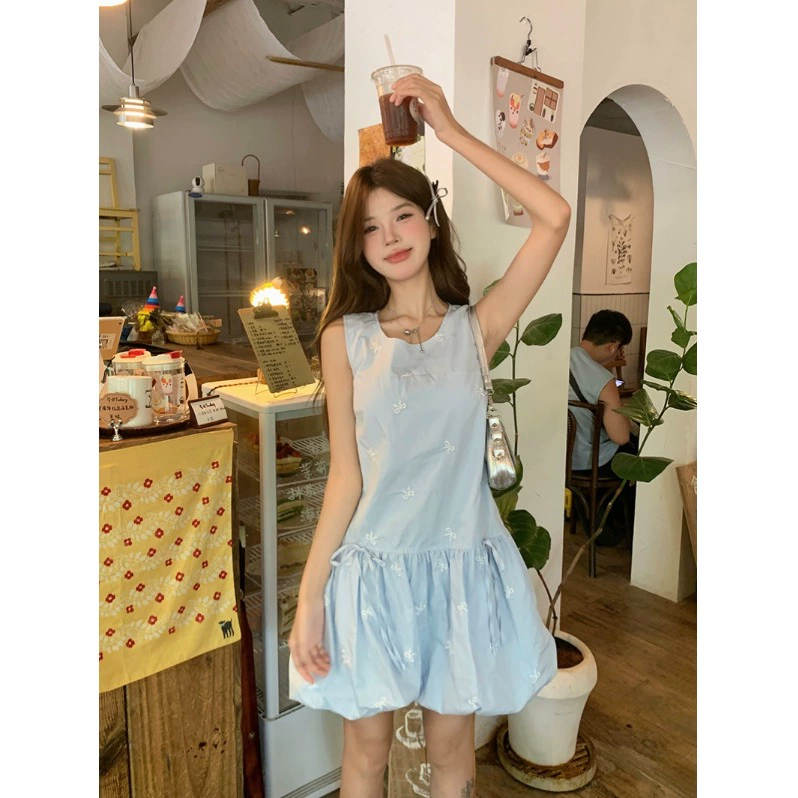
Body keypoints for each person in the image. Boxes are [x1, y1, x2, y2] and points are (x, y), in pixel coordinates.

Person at [287, 73, 571, 798]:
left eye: (403, 216)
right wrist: (311, 599)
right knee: (365, 756)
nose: (389, 237)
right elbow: (345, 478)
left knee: (451, 754)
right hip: (372, 571)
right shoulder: (344, 339)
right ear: (357, 247)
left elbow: (554, 216)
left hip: (459, 573)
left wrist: (450, 131)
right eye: (370, 228)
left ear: (432, 223)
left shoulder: (477, 329)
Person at [568, 310, 637, 544]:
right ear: (613, 346)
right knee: (636, 450)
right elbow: (620, 437)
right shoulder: (603, 380)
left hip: (563, 457)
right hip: (593, 462)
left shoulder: (559, 361)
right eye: (620, 349)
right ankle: (627, 532)